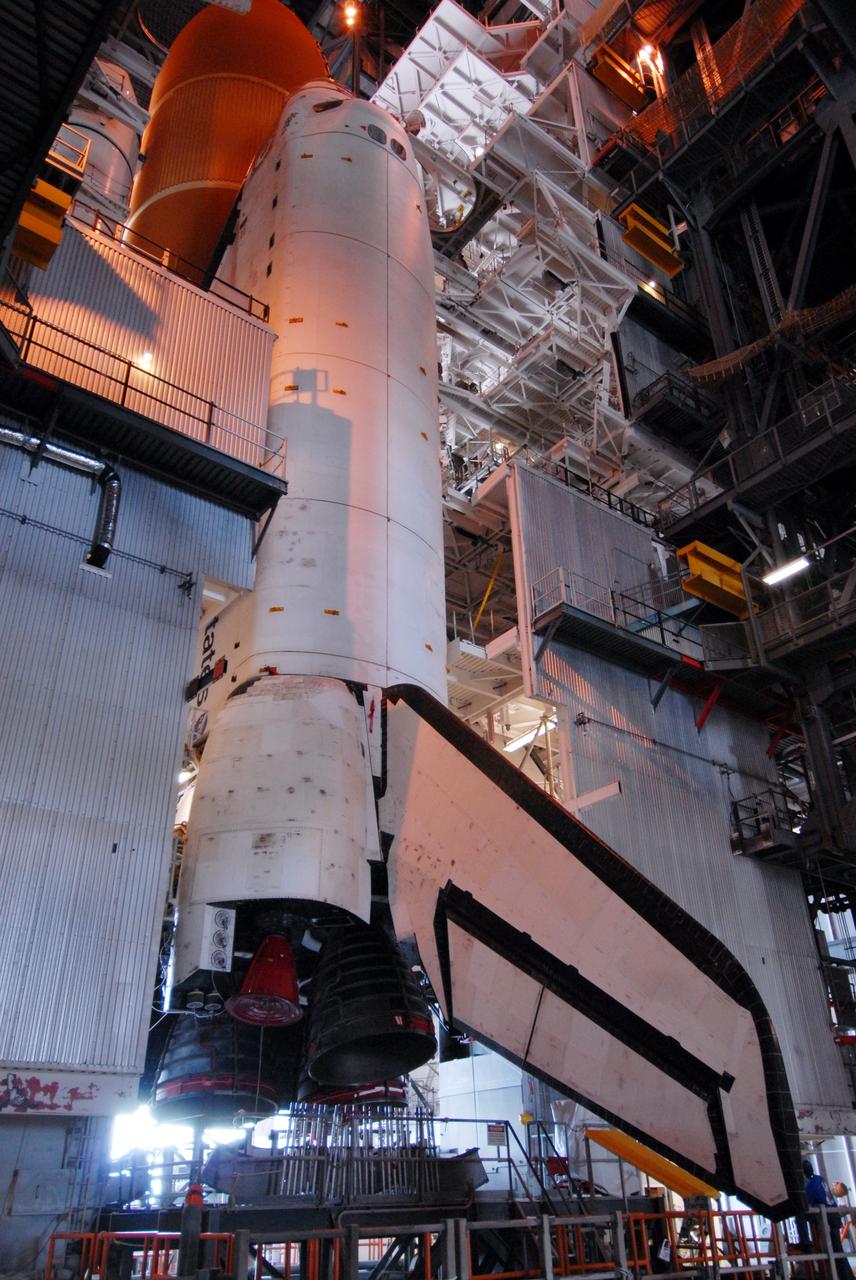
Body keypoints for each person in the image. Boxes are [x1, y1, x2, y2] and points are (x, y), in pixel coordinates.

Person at [804, 1160, 852, 1280]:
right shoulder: (820, 1179)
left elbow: (810, 1203)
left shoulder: (809, 1185)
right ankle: (847, 1276)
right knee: (838, 1251)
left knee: (834, 1252)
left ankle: (844, 1276)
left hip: (827, 1220)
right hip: (833, 1217)